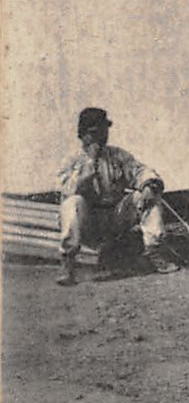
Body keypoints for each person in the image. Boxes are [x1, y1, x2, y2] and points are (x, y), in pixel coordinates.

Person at [56, 108, 177, 285]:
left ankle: (154, 251)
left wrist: (149, 184)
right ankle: (68, 262)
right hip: (87, 223)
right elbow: (68, 188)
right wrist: (90, 164)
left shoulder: (117, 155)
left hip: (114, 218)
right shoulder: (72, 160)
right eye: (94, 133)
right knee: (73, 202)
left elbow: (140, 170)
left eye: (104, 131)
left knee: (148, 195)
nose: (101, 136)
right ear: (83, 135)